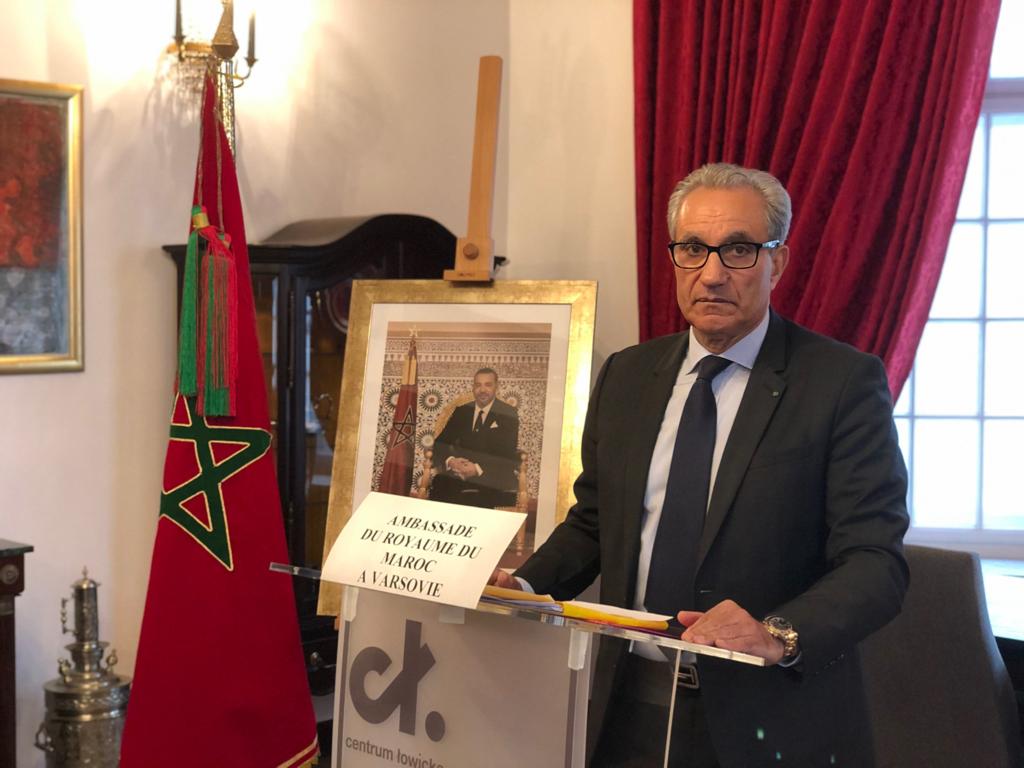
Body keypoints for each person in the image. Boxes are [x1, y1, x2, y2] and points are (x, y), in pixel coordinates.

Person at [492, 163, 910, 767]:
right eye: (692, 249)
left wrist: (778, 633)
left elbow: (875, 561)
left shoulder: (842, 383)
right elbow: (597, 522)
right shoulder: (628, 375)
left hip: (768, 720)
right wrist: (526, 586)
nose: (712, 274)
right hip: (625, 705)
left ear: (777, 262)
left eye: (738, 250)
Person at [430, 367, 520, 509]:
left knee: (476, 496)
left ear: (496, 387)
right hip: (459, 474)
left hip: (493, 475)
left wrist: (477, 469)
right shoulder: (462, 411)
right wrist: (452, 461)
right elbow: (439, 444)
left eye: (488, 385)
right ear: (473, 387)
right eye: (478, 385)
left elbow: (507, 452)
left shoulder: (508, 413)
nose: (482, 390)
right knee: (440, 482)